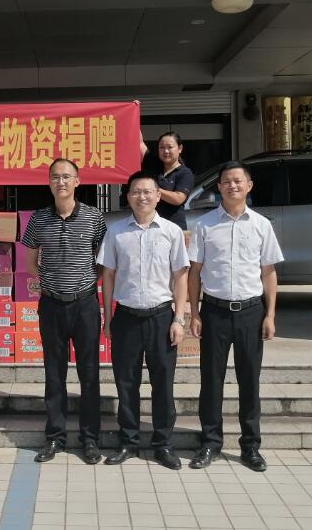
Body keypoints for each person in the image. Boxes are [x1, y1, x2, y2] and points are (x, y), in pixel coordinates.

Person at [187, 161, 283, 473]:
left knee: (249, 381)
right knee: (211, 380)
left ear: (249, 186)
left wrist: (270, 315)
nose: (232, 186)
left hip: (251, 312)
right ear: (218, 187)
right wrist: (195, 312)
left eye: (238, 181)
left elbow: (268, 273)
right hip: (214, 311)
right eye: (227, 181)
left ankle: (250, 446)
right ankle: (210, 443)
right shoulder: (204, 225)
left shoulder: (261, 225)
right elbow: (194, 273)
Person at [98, 171, 189, 469]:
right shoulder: (116, 232)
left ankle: (163, 444)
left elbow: (180, 277)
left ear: (158, 195)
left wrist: (179, 319)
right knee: (126, 383)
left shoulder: (172, 232)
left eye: (148, 191)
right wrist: (108, 317)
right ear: (128, 196)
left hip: (161, 317)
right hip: (126, 317)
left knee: (163, 384)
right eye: (136, 192)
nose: (142, 197)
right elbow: (108, 276)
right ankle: (128, 442)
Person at [21, 158, 106, 464]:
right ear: (49, 182)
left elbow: (102, 262)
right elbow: (30, 262)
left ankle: (90, 439)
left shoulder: (94, 217)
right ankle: (55, 437)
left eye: (67, 177)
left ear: (77, 181)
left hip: (84, 305)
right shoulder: (39, 219)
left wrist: (85, 283)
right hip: (51, 305)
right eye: (55, 177)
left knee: (89, 374)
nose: (61, 182)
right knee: (54, 374)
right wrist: (48, 282)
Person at [143, 132, 195, 230]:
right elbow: (139, 143)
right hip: (151, 226)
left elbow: (178, 199)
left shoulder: (185, 173)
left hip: (175, 227)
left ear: (180, 148)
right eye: (162, 147)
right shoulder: (153, 167)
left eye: (170, 147)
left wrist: (153, 189)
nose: (166, 151)